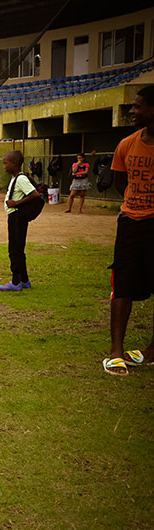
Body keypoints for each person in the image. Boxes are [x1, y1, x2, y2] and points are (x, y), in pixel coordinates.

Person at [103, 85, 154, 376]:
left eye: (138, 106)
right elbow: (122, 185)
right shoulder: (127, 144)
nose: (132, 111)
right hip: (130, 222)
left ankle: (152, 350)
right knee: (121, 284)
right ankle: (116, 352)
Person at [0, 150, 41, 292]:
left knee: (15, 249)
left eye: (6, 163)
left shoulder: (21, 179)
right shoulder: (15, 177)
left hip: (17, 217)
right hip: (14, 216)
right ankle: (24, 280)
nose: (4, 166)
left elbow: (35, 194)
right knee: (18, 249)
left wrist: (17, 203)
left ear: (14, 164)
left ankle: (16, 282)